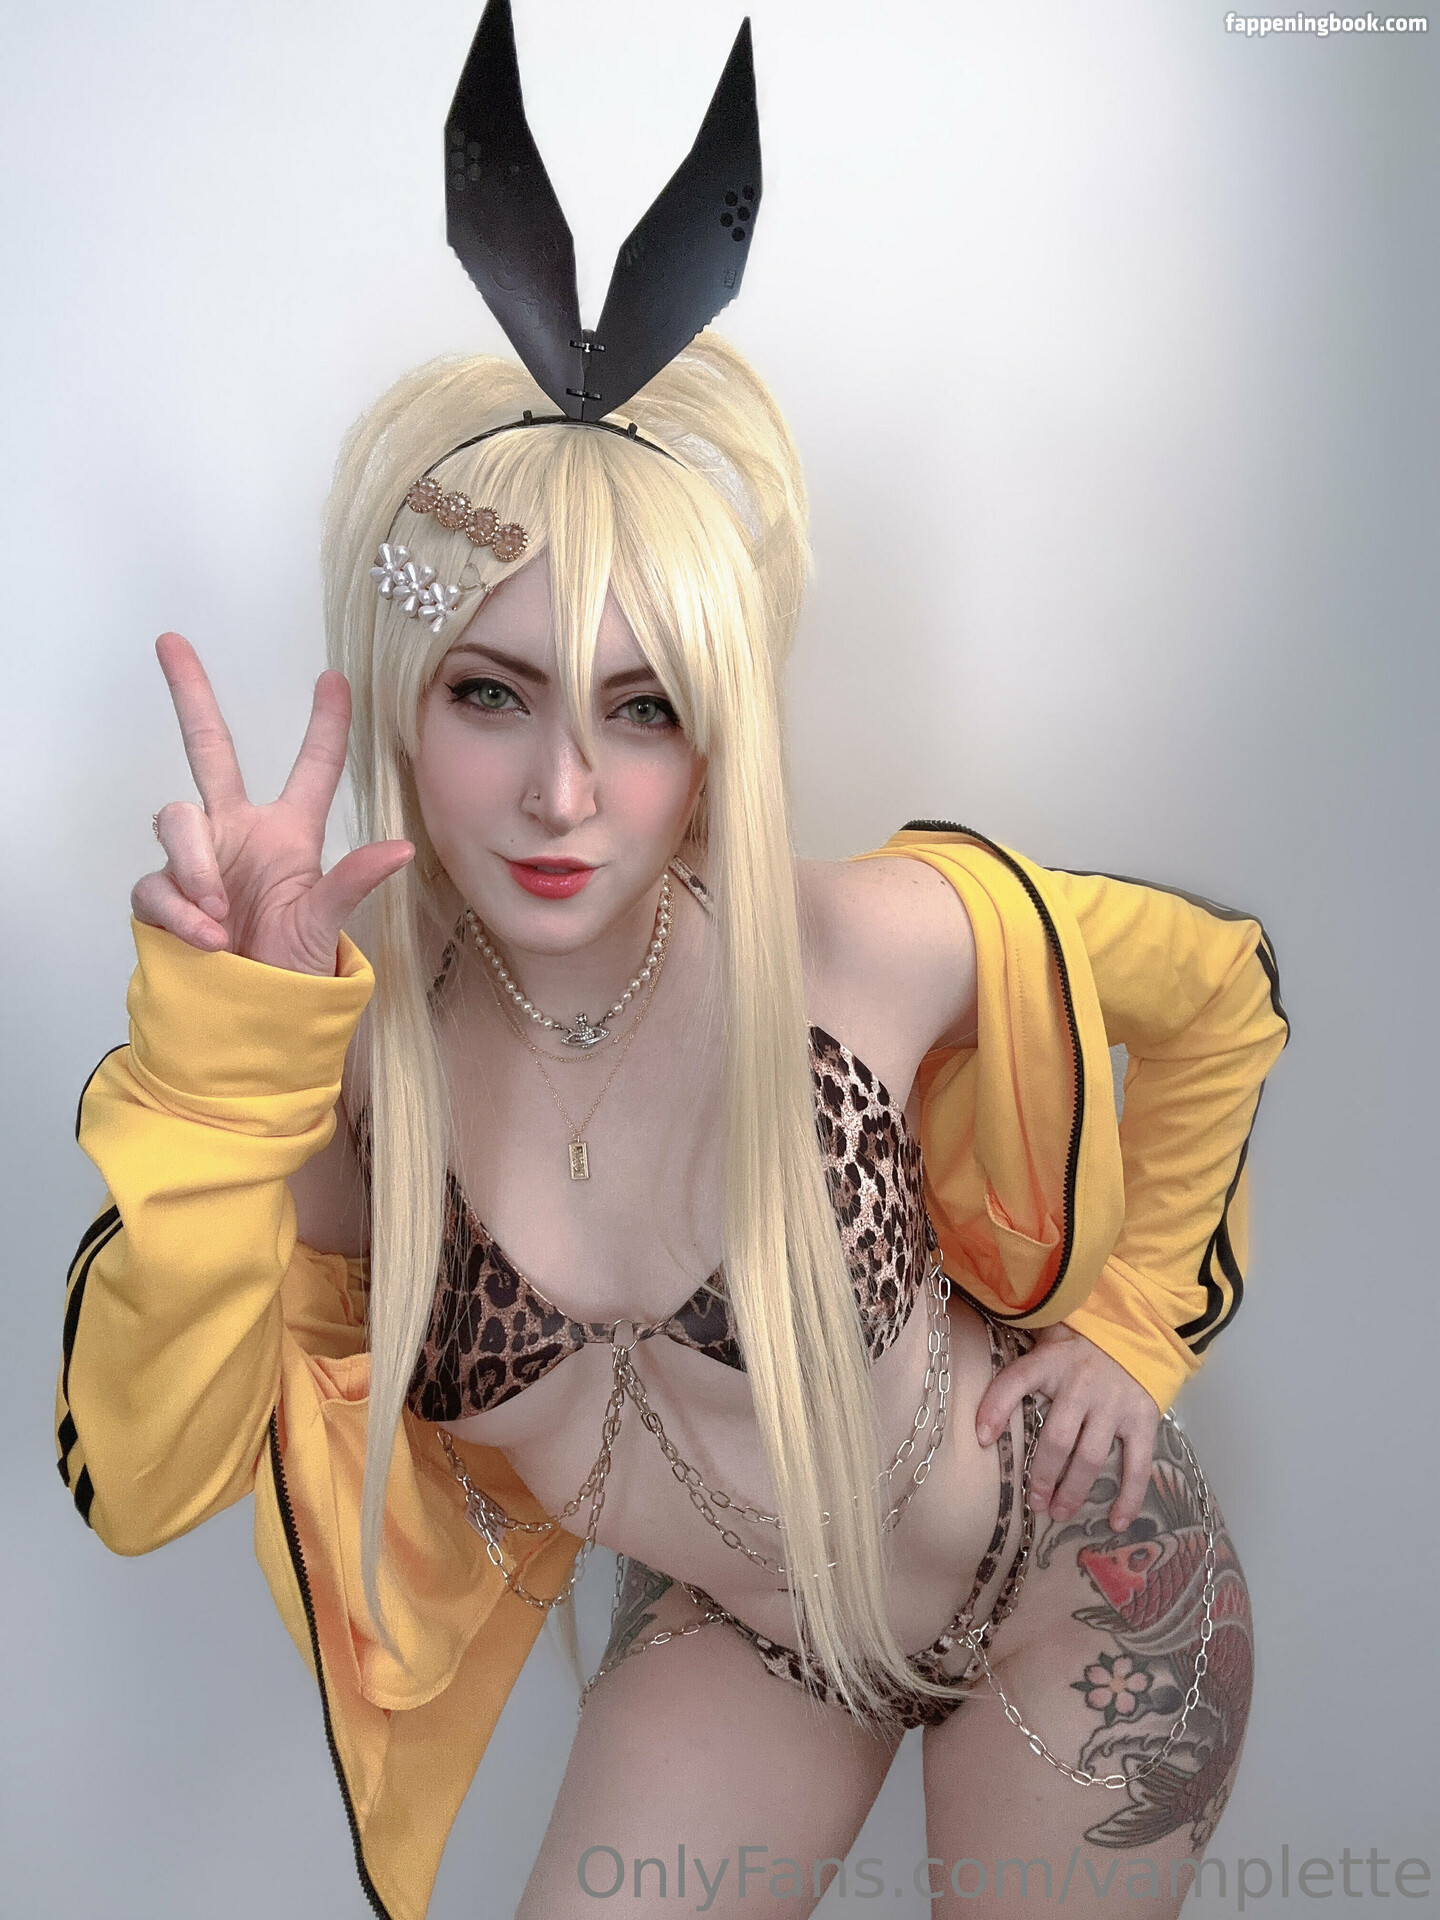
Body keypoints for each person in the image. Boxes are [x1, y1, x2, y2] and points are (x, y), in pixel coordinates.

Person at [54, 8, 1288, 1917]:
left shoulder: (861, 942)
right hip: (747, 1639)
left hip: (1079, 1586)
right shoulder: (347, 1075)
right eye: (492, 692)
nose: (562, 790)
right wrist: (229, 1047)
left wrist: (1131, 1328)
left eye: (641, 709)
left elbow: (1216, 992)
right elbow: (140, 1487)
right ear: (404, 696)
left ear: (716, 741)